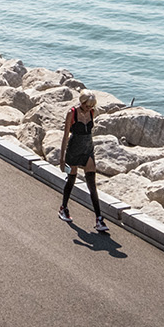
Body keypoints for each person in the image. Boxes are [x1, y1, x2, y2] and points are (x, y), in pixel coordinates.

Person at [58, 91, 108, 233]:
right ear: (82, 102)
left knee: (92, 184)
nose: (89, 108)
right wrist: (62, 159)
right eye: (87, 106)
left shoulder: (92, 113)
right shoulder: (72, 113)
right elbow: (65, 136)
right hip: (74, 150)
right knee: (71, 180)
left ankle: (99, 218)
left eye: (92, 106)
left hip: (88, 150)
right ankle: (64, 208)